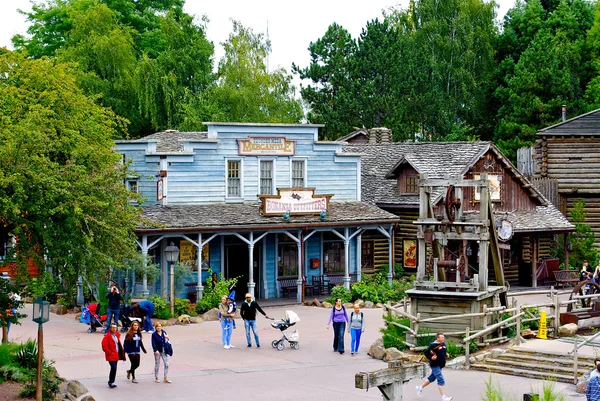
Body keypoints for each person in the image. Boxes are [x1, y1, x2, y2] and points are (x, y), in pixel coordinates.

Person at [416, 332, 452, 401]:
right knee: (440, 380)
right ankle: (443, 397)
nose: (443, 338)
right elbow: (426, 352)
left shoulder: (443, 344)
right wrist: (431, 357)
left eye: (443, 337)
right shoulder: (433, 345)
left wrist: (446, 354)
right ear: (438, 338)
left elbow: (442, 351)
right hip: (435, 365)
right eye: (442, 337)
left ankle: (420, 387)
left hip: (440, 365)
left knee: (432, 378)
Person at [101, 323, 126, 389]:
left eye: (115, 328)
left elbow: (118, 344)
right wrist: (110, 352)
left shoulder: (116, 335)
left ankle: (112, 381)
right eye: (113, 327)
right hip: (111, 355)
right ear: (110, 328)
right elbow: (104, 346)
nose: (114, 329)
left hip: (116, 354)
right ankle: (110, 382)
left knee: (114, 368)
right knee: (113, 367)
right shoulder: (107, 336)